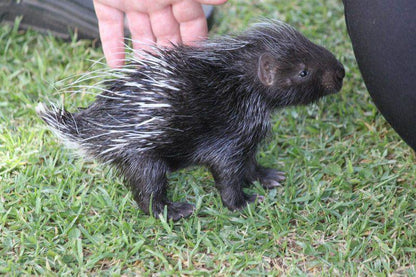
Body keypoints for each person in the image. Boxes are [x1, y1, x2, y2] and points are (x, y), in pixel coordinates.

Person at [1, 0, 415, 150]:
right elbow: (225, 154)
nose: (329, 76)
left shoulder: (247, 103)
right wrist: (236, 193)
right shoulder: (244, 114)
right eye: (306, 72)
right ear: (267, 74)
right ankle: (155, 204)